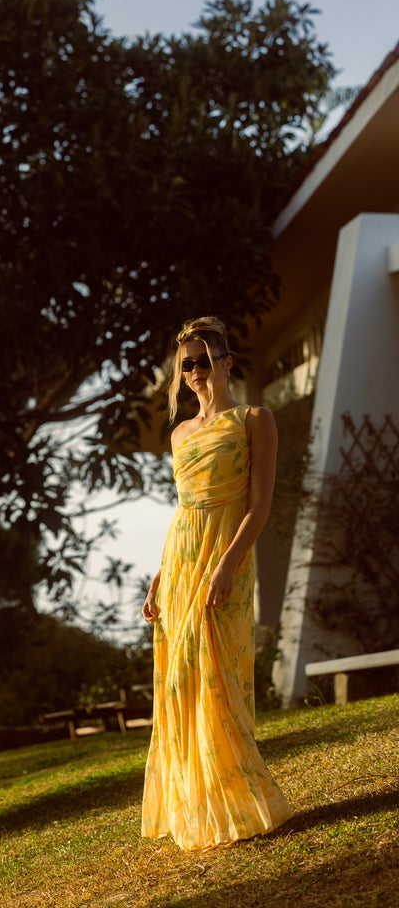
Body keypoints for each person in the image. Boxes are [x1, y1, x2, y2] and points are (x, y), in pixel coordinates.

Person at [141, 316, 292, 851]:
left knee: (213, 673)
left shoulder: (255, 419)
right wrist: (160, 574)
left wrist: (228, 564)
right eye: (188, 365)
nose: (197, 371)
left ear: (227, 362)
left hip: (226, 554)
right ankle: (197, 805)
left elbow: (261, 505)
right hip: (181, 560)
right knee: (178, 681)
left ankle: (243, 801)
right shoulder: (180, 433)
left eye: (206, 360)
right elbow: (183, 510)